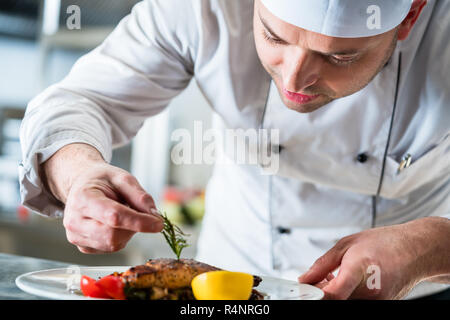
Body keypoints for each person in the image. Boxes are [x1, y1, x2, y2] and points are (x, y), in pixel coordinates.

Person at [19, 0, 449, 299]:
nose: (295, 82)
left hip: (412, 290)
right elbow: (80, 101)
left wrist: (428, 247)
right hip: (228, 287)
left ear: (410, 15)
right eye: (274, 37)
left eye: (339, 58)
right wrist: (79, 175)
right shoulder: (205, 8)